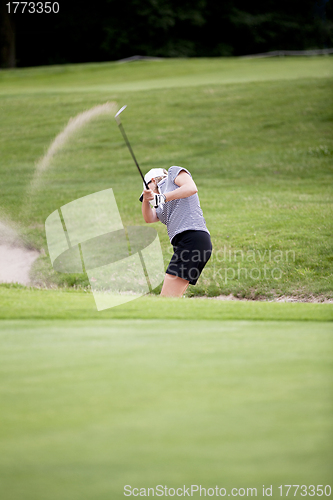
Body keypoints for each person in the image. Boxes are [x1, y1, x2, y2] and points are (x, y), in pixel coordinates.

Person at [140, 166, 212, 297]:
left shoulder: (173, 174)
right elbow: (149, 218)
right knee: (172, 299)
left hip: (192, 238)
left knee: (166, 299)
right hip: (187, 244)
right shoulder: (161, 208)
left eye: (147, 188)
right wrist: (146, 199)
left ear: (153, 181)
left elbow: (191, 188)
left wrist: (162, 197)